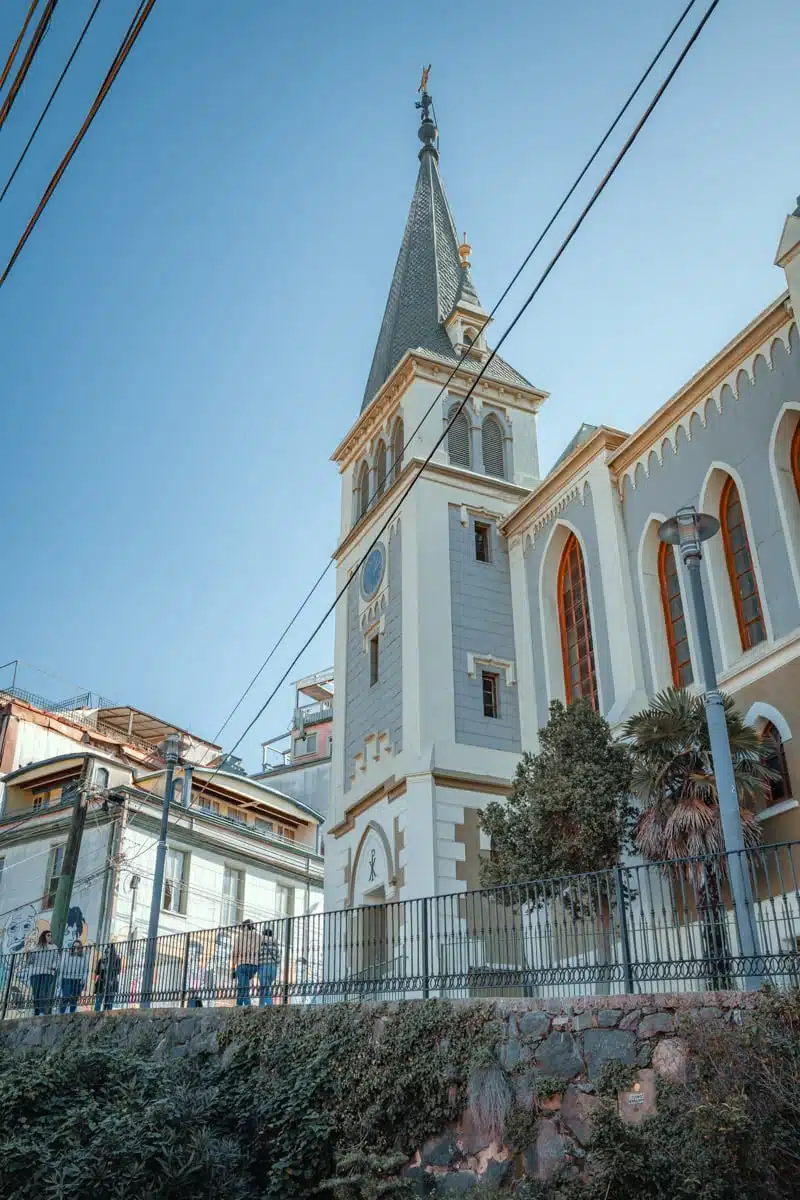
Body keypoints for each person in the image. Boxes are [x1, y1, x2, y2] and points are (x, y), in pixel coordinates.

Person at [26, 930, 59, 1016]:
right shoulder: (36, 947)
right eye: (48, 935)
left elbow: (56, 959)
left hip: (47, 972)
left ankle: (41, 1011)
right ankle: (36, 1012)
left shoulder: (54, 947)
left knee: (43, 992)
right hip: (35, 973)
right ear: (43, 936)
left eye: (51, 935)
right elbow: (30, 961)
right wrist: (28, 954)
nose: (50, 937)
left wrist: (53, 967)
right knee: (36, 993)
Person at [231, 918, 261, 1006]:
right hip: (254, 966)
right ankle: (239, 1004)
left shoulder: (239, 937)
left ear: (244, 927)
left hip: (242, 964)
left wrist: (233, 968)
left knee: (243, 986)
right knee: (242, 984)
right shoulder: (259, 937)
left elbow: (235, 953)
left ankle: (248, 1005)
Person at [59, 939, 89, 1013]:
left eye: (78, 947)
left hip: (78, 980)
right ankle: (61, 1013)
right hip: (66, 978)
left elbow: (86, 970)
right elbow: (62, 967)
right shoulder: (67, 955)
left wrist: (84, 979)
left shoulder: (84, 957)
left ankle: (72, 1014)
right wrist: (60, 979)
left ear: (81, 948)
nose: (76, 949)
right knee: (65, 998)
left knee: (74, 999)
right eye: (74, 947)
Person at [93, 943, 121, 1012]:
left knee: (109, 1004)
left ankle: (107, 1017)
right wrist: (102, 966)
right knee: (98, 1003)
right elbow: (97, 972)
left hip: (111, 983)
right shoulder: (102, 959)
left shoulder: (117, 959)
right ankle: (96, 1017)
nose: (108, 952)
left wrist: (110, 966)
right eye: (107, 950)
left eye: (110, 950)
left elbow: (118, 971)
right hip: (101, 983)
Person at [258, 927, 280, 1006]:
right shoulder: (275, 944)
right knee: (264, 987)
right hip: (273, 968)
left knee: (265, 988)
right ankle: (261, 1005)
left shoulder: (260, 943)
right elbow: (278, 958)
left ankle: (270, 1006)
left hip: (264, 967)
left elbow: (257, 955)